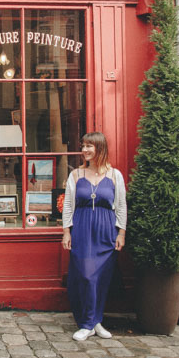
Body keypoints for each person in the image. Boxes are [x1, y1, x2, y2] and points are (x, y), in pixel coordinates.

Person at [62, 132, 126, 341]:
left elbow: (122, 206)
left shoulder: (115, 175)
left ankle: (95, 322)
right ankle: (86, 323)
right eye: (83, 146)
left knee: (101, 279)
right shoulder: (76, 175)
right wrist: (66, 231)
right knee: (85, 276)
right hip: (82, 229)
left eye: (90, 146)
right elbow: (68, 205)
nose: (85, 150)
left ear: (100, 148)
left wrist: (121, 233)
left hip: (106, 230)